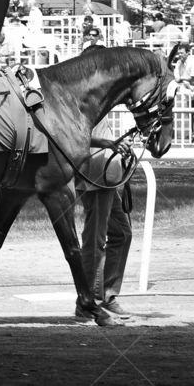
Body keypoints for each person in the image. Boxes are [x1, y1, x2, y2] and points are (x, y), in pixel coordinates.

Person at [76, 109, 133, 318]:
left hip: (107, 174)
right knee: (95, 241)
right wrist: (109, 144)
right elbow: (73, 136)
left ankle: (107, 294)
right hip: (93, 177)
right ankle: (86, 301)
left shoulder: (103, 99)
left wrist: (117, 146)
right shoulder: (85, 100)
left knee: (122, 233)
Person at [171, 42, 194, 143]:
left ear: (188, 52)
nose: (179, 55)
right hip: (189, 88)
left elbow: (193, 77)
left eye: (182, 53)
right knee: (190, 112)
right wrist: (182, 80)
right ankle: (193, 133)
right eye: (179, 53)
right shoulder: (179, 62)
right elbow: (176, 76)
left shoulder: (193, 62)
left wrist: (181, 79)